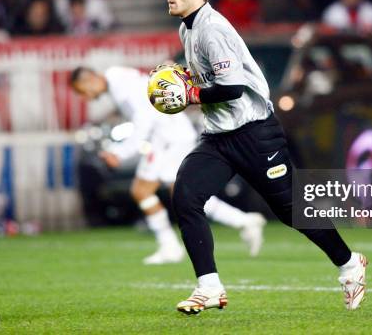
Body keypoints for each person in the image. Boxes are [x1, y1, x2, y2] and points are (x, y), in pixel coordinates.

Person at [153, 0, 367, 314]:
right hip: (220, 137)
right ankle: (209, 287)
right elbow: (208, 84)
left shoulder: (212, 29)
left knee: (293, 211)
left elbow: (233, 88)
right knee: (186, 196)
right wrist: (182, 83)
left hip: (255, 134)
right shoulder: (186, 30)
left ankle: (349, 264)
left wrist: (189, 96)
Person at [70, 66, 266, 265]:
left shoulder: (121, 86)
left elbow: (144, 120)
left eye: (82, 91)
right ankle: (244, 221)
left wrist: (120, 152)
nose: (86, 97)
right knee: (183, 195)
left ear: (89, 80)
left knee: (142, 191)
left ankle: (170, 246)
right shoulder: (119, 79)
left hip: (166, 139)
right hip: (172, 135)